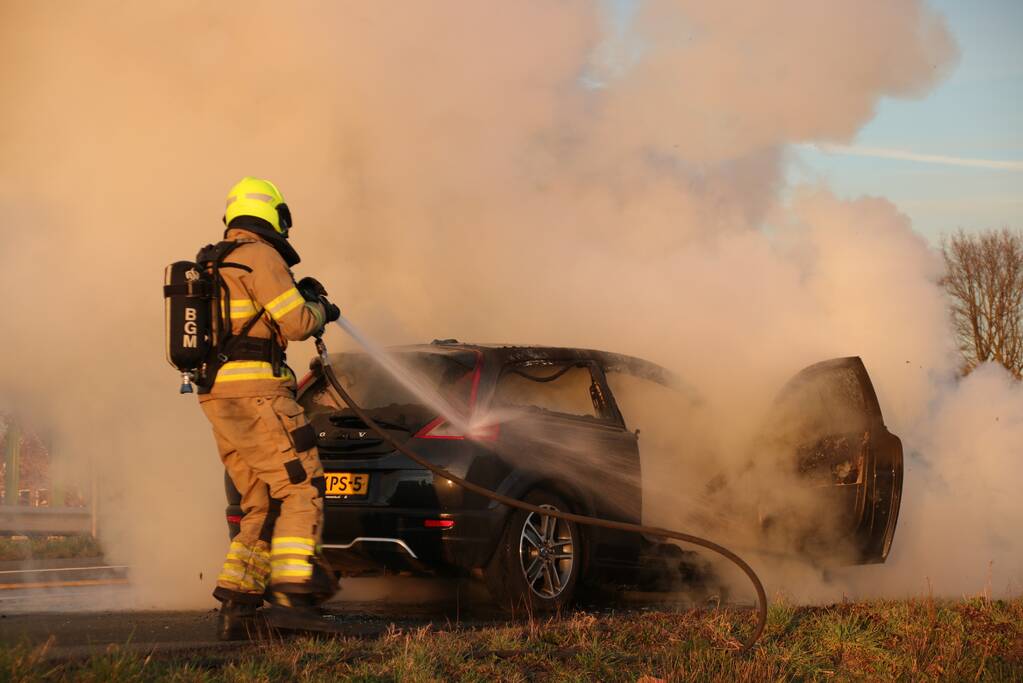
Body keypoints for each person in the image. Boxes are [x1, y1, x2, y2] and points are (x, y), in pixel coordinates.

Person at [198, 177, 341, 639]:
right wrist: (321, 309)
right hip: (260, 394)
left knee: (259, 501)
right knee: (301, 488)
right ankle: (294, 598)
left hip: (218, 397)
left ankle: (238, 607)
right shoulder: (261, 256)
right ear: (274, 215)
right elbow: (296, 324)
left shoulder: (212, 263)